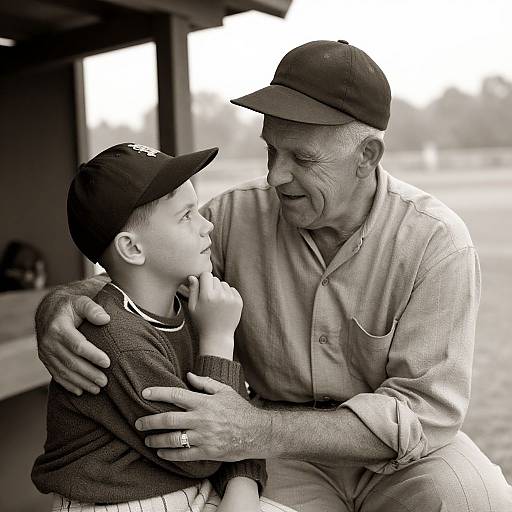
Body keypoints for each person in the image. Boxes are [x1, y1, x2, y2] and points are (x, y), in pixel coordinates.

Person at [35, 41, 512, 511]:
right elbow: (141, 267)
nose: (275, 177)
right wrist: (62, 303)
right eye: (271, 151)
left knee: (479, 501)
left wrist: (254, 429)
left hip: (395, 456)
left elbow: (424, 415)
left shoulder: (437, 242)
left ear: (367, 155)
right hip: (279, 457)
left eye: (302, 159)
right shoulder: (231, 216)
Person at [32, 143, 294, 512]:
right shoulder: (114, 336)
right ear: (133, 249)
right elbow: (206, 445)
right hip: (117, 502)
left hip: (186, 486)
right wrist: (219, 338)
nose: (207, 225)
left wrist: (243, 482)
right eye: (186, 215)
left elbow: (233, 424)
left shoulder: (189, 306)